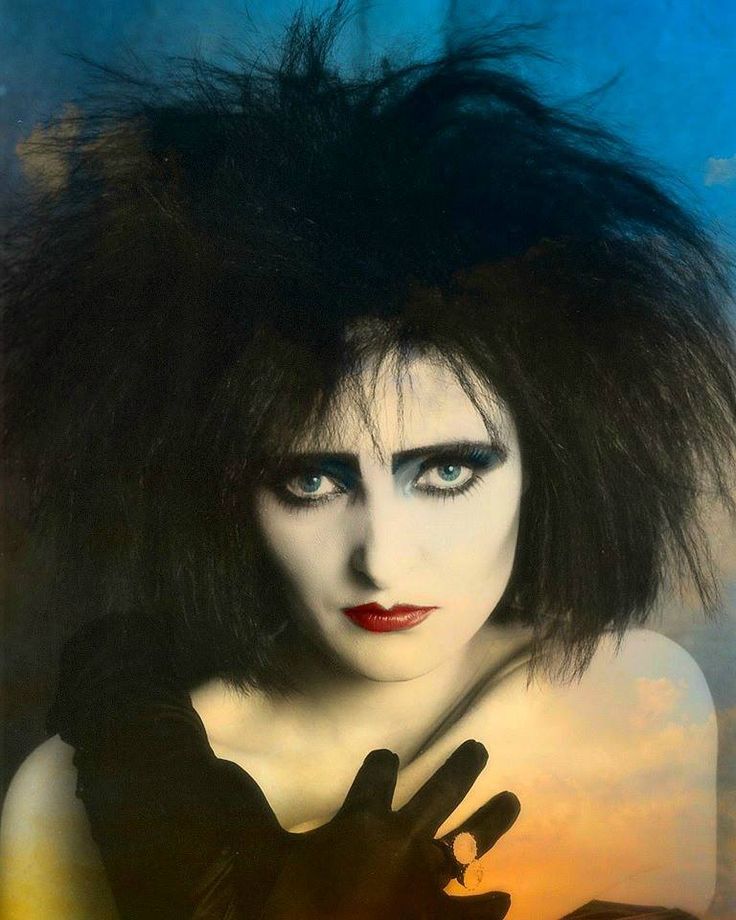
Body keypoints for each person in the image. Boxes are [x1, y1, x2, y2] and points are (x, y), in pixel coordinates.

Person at [1, 7, 734, 919]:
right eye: (312, 480)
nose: (382, 559)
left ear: (549, 470)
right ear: (222, 492)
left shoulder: (635, 703)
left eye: (448, 472)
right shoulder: (70, 804)